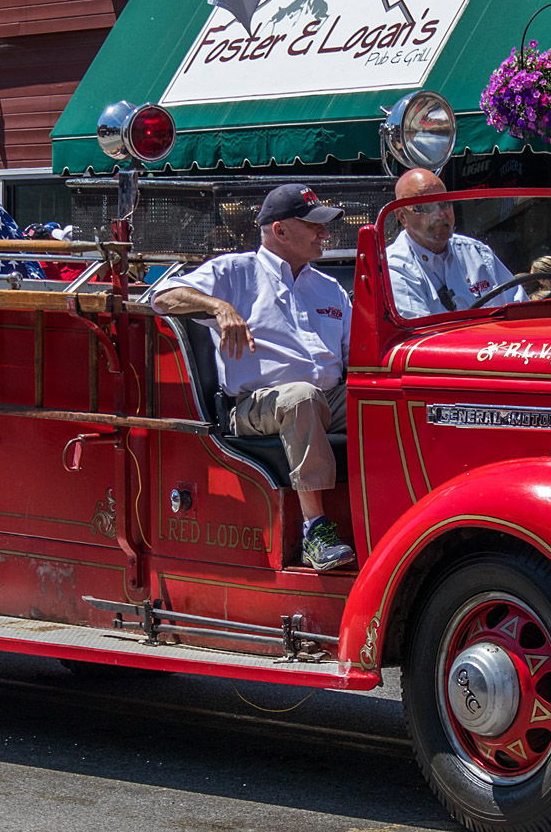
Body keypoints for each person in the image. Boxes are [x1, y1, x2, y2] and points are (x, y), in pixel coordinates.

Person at [152, 183, 354, 571]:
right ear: (279, 231)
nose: (324, 235)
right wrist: (219, 306)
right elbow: (163, 296)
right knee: (301, 396)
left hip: (327, 400)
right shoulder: (235, 270)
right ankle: (316, 531)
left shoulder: (329, 287)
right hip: (253, 406)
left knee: (383, 396)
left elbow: (354, 358)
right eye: (314, 226)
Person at [385, 169, 519, 316]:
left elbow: (519, 310)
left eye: (444, 203)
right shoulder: (395, 267)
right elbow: (420, 336)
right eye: (425, 207)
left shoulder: (478, 253)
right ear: (402, 216)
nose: (440, 214)